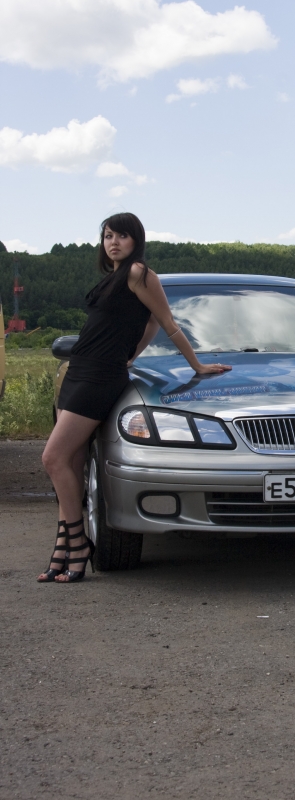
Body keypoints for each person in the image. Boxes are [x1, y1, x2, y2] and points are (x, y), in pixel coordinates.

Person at [38, 213, 232, 583]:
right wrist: (132, 353)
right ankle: (64, 544)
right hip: (79, 370)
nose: (113, 242)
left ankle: (77, 542)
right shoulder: (112, 278)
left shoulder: (139, 273)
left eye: (122, 236)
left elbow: (165, 321)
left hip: (99, 376)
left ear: (136, 240)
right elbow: (148, 324)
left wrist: (197, 364)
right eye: (108, 236)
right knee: (72, 461)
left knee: (53, 457)